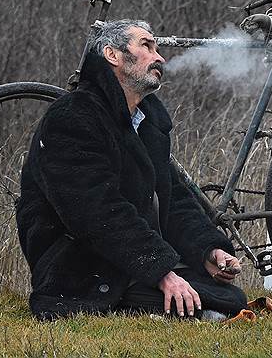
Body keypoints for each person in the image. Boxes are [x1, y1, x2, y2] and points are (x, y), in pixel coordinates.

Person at [15, 19, 247, 321]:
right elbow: (96, 212)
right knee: (203, 301)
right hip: (78, 262)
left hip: (131, 259)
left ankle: (168, 300)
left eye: (157, 48)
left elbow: (173, 198)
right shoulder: (73, 116)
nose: (159, 57)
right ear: (113, 55)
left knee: (230, 296)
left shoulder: (147, 121)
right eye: (146, 46)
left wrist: (209, 250)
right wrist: (163, 272)